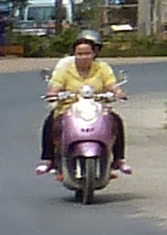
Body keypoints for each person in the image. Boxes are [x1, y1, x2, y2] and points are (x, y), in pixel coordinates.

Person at [38, 33, 129, 177]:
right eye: (79, 53)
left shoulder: (102, 68)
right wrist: (53, 93)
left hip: (97, 106)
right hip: (69, 107)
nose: (84, 57)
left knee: (116, 121)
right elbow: (55, 85)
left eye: (87, 53)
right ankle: (49, 160)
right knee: (51, 122)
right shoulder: (66, 68)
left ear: (94, 54)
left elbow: (111, 83)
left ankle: (118, 159)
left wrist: (118, 92)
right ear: (74, 54)